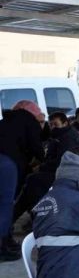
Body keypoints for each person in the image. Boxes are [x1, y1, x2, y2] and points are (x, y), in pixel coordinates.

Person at [0, 100, 44, 261]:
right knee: (5, 206)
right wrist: (44, 159)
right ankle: (2, 248)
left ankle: (6, 240)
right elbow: (36, 147)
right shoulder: (29, 120)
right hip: (6, 163)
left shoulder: (5, 121)